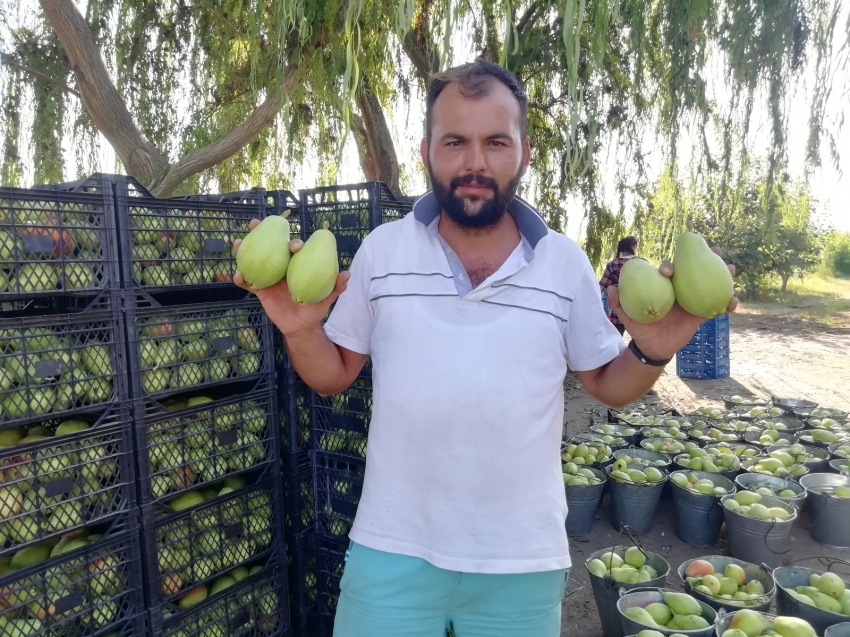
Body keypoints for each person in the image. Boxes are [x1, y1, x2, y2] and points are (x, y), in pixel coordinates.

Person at [234, 60, 736, 637]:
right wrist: (299, 330)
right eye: (456, 141)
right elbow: (334, 376)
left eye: (496, 141)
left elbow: (607, 383)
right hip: (392, 549)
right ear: (427, 151)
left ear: (522, 154)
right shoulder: (383, 251)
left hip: (520, 562)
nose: (475, 162)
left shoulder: (563, 262)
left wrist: (653, 351)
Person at [600, 236, 639, 336]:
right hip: (638, 310)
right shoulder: (642, 263)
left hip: (618, 311)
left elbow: (602, 286)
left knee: (615, 341)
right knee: (639, 344)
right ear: (633, 246)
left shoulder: (613, 264)